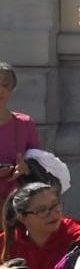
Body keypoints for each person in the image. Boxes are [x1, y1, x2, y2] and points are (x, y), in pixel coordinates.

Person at [0, 61, 42, 201]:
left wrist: (26, 168)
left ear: (12, 89)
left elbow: (40, 164)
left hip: (17, 206)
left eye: (5, 85)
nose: (1, 90)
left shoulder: (24, 124)